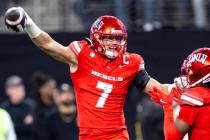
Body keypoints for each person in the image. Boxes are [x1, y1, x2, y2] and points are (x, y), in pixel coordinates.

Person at [5, 7, 176, 140]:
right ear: (96, 38)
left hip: (116, 135)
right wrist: (28, 23)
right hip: (88, 135)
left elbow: (158, 89)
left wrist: (183, 86)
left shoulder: (130, 62)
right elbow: (48, 45)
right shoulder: (82, 54)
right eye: (109, 39)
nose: (113, 44)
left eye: (117, 39)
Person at [149, 48, 210, 140]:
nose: (188, 76)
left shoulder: (194, 98)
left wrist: (167, 107)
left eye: (191, 73)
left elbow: (172, 137)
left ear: (201, 74)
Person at [1, 75, 35, 140]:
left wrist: (14, 125)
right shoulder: (4, 109)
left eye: (21, 87)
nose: (19, 90)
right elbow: (7, 129)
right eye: (15, 88)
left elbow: (36, 127)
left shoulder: (32, 106)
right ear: (8, 91)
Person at [31, 72, 58, 140]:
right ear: (41, 90)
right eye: (50, 86)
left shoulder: (59, 108)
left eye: (54, 87)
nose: (53, 89)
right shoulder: (37, 112)